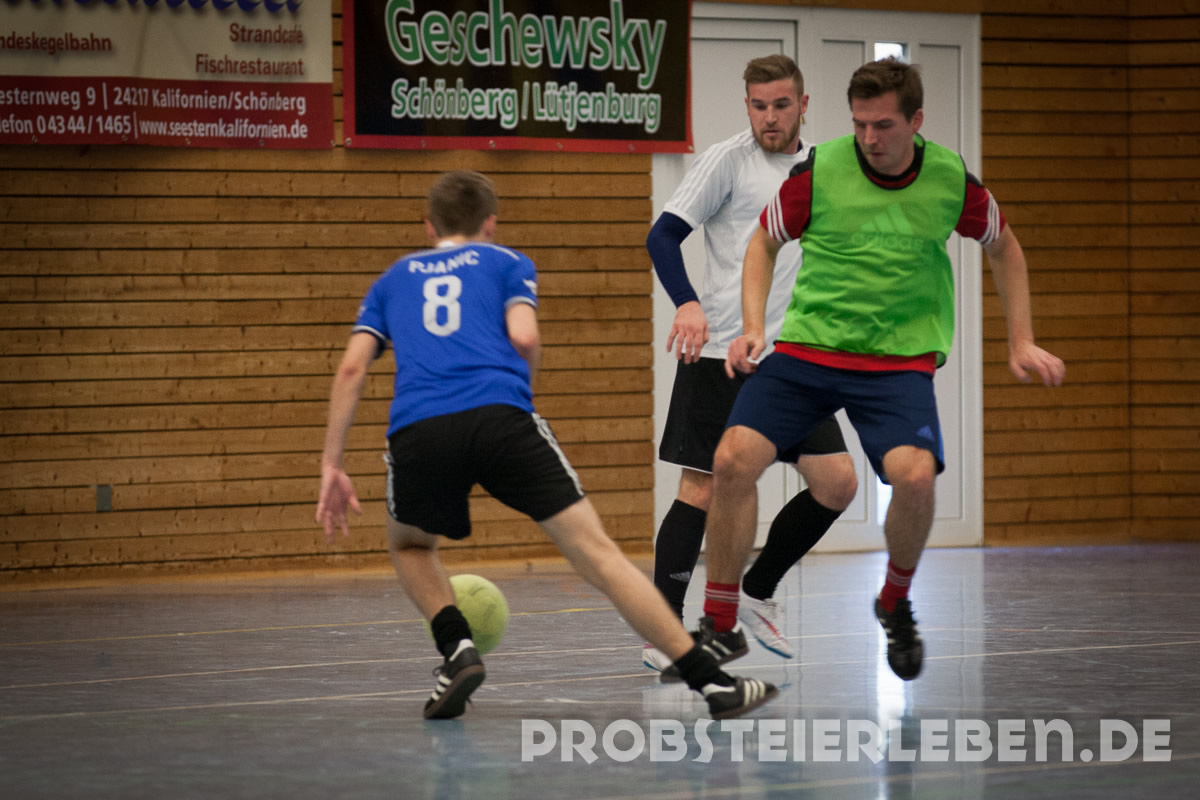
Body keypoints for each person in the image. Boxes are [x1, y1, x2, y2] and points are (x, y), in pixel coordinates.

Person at [315, 170, 778, 720]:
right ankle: (713, 683)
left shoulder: (393, 279)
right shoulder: (507, 262)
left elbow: (351, 369)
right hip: (503, 420)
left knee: (412, 546)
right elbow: (524, 335)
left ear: (428, 227)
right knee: (599, 556)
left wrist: (331, 465)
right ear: (490, 224)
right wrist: (519, 396)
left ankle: (456, 647)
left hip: (420, 430)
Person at [704, 57, 1066, 681]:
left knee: (916, 479)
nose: (869, 138)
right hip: (809, 351)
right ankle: (719, 622)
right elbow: (764, 241)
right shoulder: (820, 171)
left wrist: (1022, 340)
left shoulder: (951, 180)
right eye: (859, 124)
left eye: (884, 125)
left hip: (897, 364)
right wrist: (755, 327)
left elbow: (1005, 247)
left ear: (916, 121)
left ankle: (894, 602)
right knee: (732, 460)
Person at [644, 54, 858, 673]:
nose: (769, 117)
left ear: (803, 105)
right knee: (702, 488)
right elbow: (662, 236)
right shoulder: (727, 161)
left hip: (795, 361)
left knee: (838, 483)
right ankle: (665, 632)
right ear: (747, 106)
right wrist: (687, 303)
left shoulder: (823, 169)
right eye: (759, 106)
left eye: (781, 105)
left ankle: (758, 590)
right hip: (723, 356)